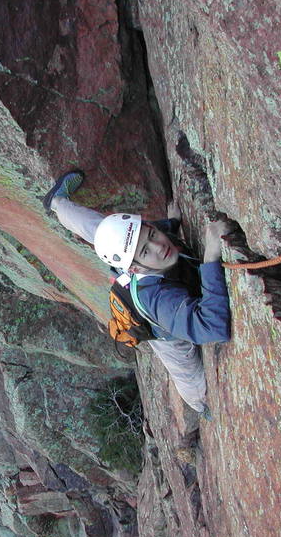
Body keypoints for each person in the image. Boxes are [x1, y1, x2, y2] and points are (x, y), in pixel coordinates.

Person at [43, 169, 232, 417]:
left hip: (136, 267)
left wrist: (171, 225)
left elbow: (145, 237)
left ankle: (57, 203)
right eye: (145, 251)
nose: (159, 245)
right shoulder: (157, 300)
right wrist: (211, 259)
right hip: (163, 329)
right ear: (133, 267)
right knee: (187, 372)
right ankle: (198, 403)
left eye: (153, 234)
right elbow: (213, 327)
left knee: (102, 231)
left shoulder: (134, 240)